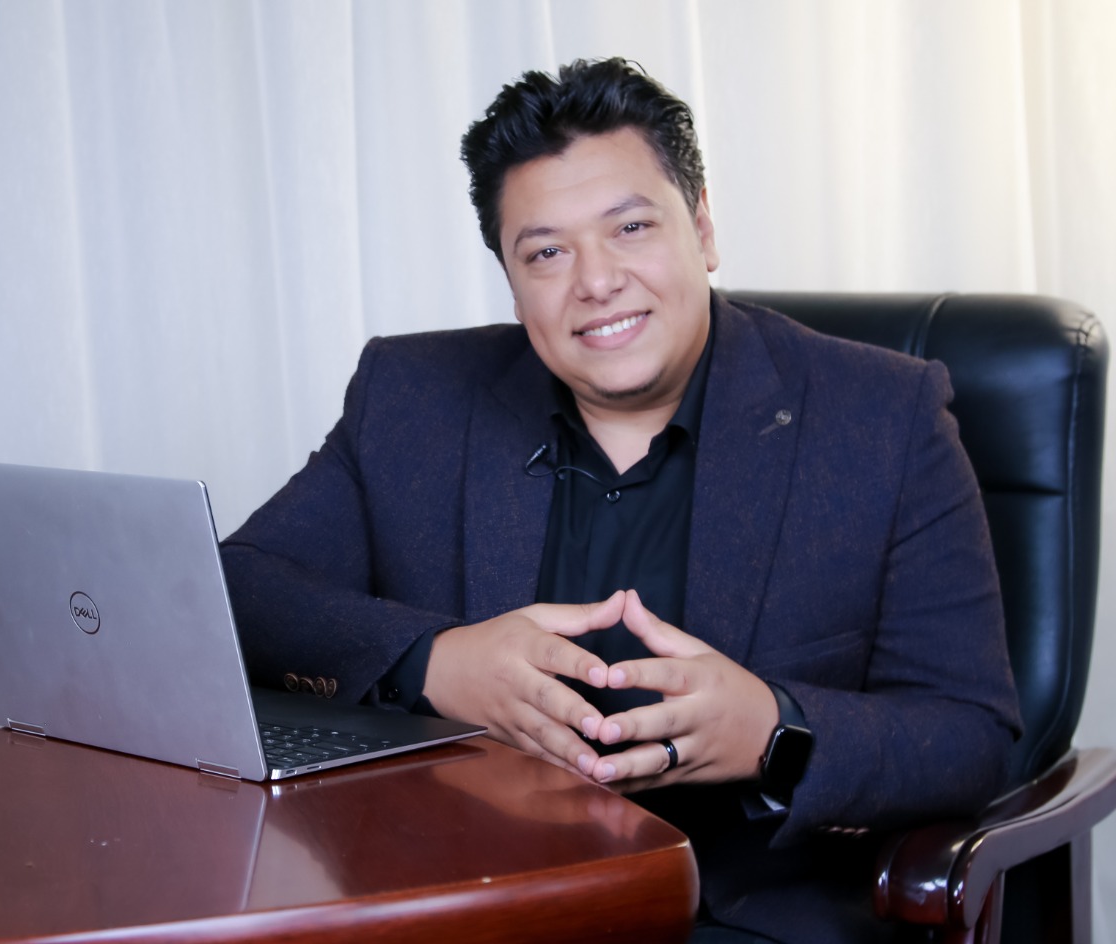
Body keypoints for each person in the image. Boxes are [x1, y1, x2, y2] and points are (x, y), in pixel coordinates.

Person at [220, 58, 1020, 943]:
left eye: (631, 227)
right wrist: (434, 663)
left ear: (703, 227)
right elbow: (239, 590)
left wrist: (774, 730)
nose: (595, 281)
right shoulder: (412, 395)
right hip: (469, 896)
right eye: (547, 252)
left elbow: (971, 733)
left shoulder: (883, 416)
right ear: (511, 278)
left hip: (737, 919)